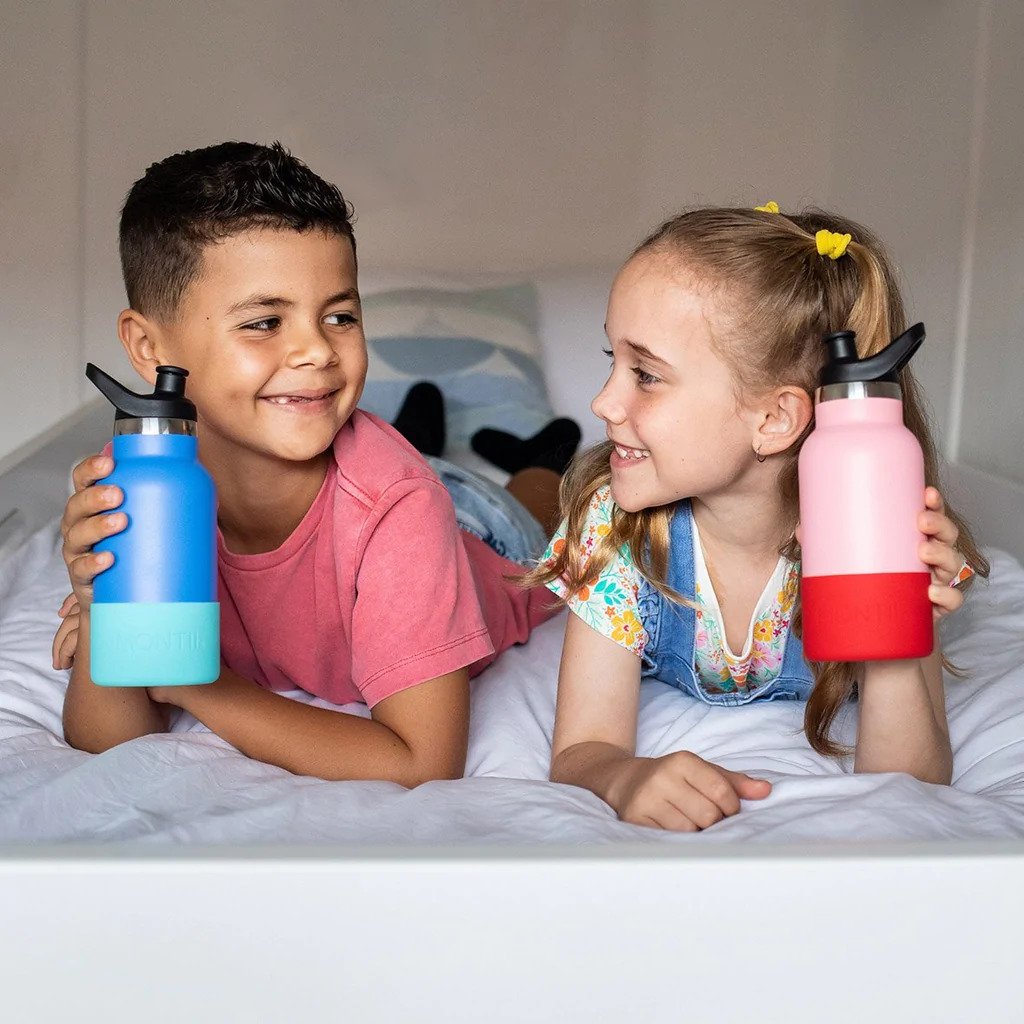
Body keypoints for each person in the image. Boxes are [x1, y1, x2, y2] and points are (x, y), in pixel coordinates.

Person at [52, 141, 562, 785]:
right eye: (265, 322)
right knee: (407, 457)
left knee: (533, 505)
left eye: (340, 316)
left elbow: (422, 762)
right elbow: (109, 742)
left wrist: (199, 686)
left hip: (477, 529)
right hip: (380, 478)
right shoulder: (142, 482)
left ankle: (544, 456)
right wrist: (103, 614)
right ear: (150, 347)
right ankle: (424, 429)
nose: (318, 351)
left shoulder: (401, 504)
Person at [527, 204, 988, 831]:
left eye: (646, 375)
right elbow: (585, 748)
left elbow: (909, 784)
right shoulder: (618, 528)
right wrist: (625, 776)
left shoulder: (884, 525)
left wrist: (899, 630)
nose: (603, 401)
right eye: (613, 359)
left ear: (773, 420)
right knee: (525, 500)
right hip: (562, 503)